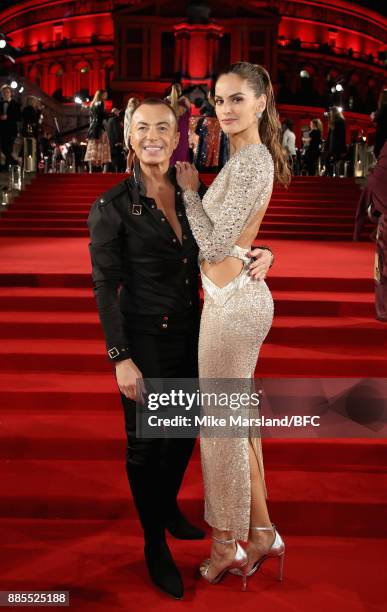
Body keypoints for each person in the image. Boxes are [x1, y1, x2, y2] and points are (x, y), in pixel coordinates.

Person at [87, 98, 274, 599]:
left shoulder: (196, 190)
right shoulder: (110, 207)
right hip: (144, 339)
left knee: (185, 432)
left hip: (196, 332)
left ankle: (166, 506)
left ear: (177, 139)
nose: (153, 136)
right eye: (143, 127)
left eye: (163, 128)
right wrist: (119, 357)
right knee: (147, 445)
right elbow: (105, 286)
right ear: (130, 136)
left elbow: (223, 241)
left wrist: (264, 253)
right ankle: (154, 542)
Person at [176, 61, 290, 589]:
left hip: (231, 307)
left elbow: (216, 245)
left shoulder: (249, 162)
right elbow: (239, 238)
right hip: (233, 297)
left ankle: (228, 544)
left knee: (221, 430)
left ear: (262, 102)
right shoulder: (247, 157)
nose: (225, 109)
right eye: (219, 100)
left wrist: (189, 193)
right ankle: (263, 533)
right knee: (236, 424)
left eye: (237, 99)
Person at [353, 141, 387, 320]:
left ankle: (383, 310)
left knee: (381, 268)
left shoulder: (378, 172)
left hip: (384, 227)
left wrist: (357, 233)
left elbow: (363, 203)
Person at [84, 89, 111, 173]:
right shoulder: (101, 103)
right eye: (105, 94)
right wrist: (110, 115)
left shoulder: (92, 104)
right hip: (99, 128)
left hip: (92, 129)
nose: (106, 96)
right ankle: (103, 170)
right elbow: (101, 116)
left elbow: (92, 118)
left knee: (92, 148)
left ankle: (91, 170)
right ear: (101, 95)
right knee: (103, 146)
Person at [165, 83, 191, 166]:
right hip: (182, 133)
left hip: (170, 131)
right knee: (182, 153)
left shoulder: (165, 102)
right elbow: (189, 117)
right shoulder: (185, 102)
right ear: (180, 91)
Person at [0, 84, 21, 169]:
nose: (6, 94)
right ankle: (5, 167)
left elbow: (18, 117)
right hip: (1, 130)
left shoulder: (15, 104)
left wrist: (8, 117)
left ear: (10, 93)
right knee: (3, 148)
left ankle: (10, 166)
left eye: (7, 92)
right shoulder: (0, 104)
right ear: (1, 94)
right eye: (4, 92)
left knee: (10, 149)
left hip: (11, 130)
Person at [325, 106, 346, 176]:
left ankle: (331, 173)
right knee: (332, 159)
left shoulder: (338, 121)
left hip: (336, 145)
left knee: (330, 159)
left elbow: (341, 135)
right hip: (334, 145)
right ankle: (331, 173)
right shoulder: (337, 121)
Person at [123, 96, 140, 171]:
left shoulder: (127, 110)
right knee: (135, 151)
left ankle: (128, 168)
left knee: (131, 151)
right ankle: (134, 168)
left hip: (129, 133)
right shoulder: (132, 110)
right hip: (133, 132)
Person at [107, 107, 125, 172]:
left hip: (111, 142)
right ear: (115, 113)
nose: (119, 113)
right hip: (116, 143)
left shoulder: (109, 120)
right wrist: (119, 141)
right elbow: (116, 131)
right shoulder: (115, 119)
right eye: (118, 112)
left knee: (112, 159)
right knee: (117, 159)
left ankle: (112, 171)